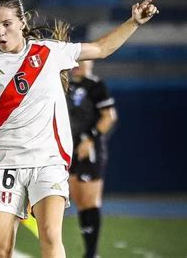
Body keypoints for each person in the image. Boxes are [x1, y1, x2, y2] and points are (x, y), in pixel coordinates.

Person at [0, 0, 158, 258]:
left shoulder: (50, 52)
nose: (1, 32)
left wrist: (134, 22)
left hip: (48, 161)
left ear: (22, 22)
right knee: (0, 250)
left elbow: (101, 49)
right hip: (5, 164)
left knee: (50, 236)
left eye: (7, 24)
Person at [67, 60, 117, 258]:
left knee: (89, 201)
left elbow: (109, 116)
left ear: (91, 62)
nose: (78, 64)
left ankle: (92, 253)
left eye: (83, 60)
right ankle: (89, 251)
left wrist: (90, 138)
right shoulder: (67, 85)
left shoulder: (95, 85)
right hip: (71, 149)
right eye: (75, 60)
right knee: (79, 201)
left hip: (90, 151)